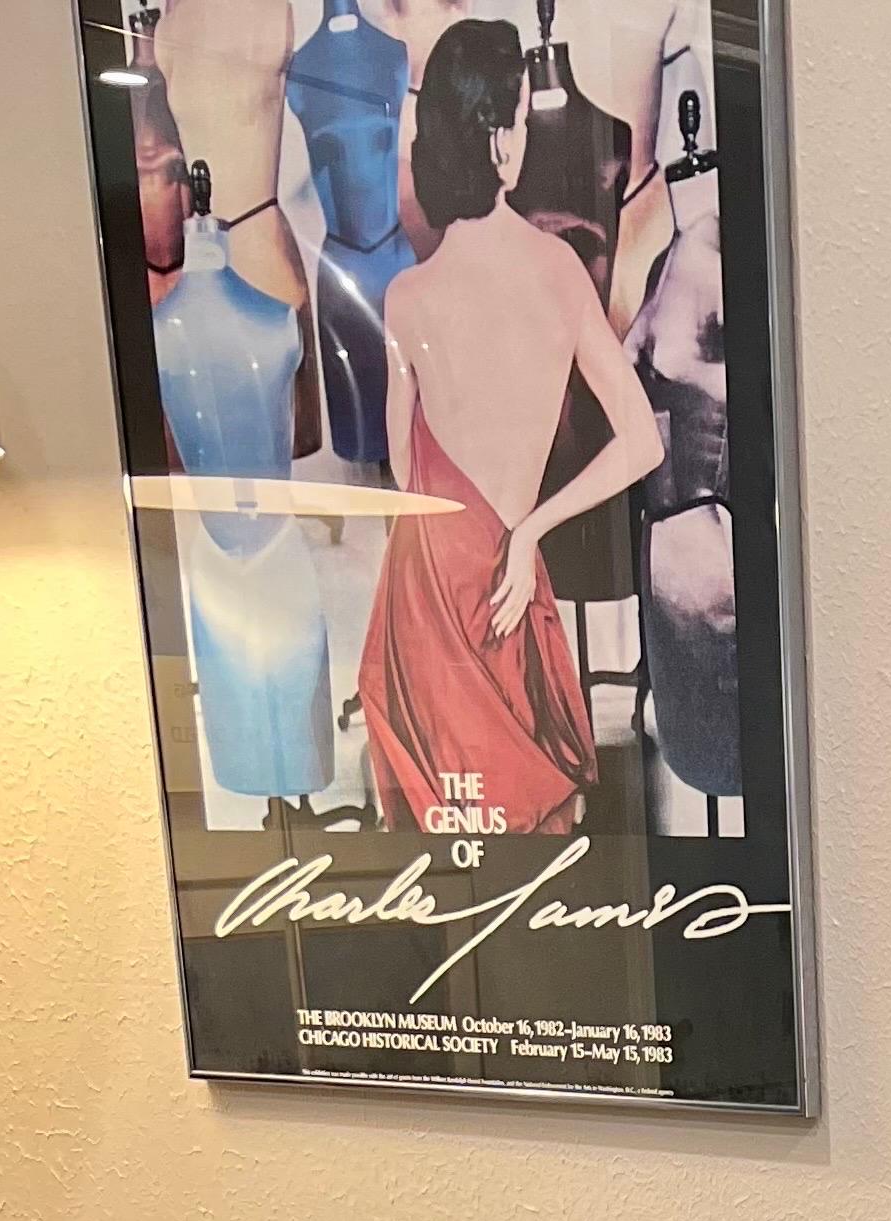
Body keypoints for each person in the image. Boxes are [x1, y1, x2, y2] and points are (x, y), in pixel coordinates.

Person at [358, 17, 666, 832]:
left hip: (424, 601)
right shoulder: (556, 272)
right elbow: (642, 440)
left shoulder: (407, 298)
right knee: (537, 833)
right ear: (496, 139)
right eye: (523, 119)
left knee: (441, 855)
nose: (526, 137)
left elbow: (402, 474)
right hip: (500, 585)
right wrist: (530, 533)